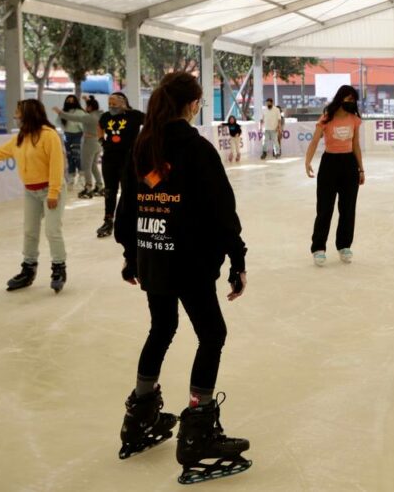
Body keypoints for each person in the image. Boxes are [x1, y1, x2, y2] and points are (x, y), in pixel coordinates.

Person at [114, 72, 250, 483]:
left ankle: (139, 415)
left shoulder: (143, 146)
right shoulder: (195, 148)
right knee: (212, 334)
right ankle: (198, 431)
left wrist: (131, 256)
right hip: (189, 261)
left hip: (153, 256)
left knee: (163, 327)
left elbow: (128, 210)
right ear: (191, 104)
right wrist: (237, 259)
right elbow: (221, 211)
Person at [0, 99, 68, 293]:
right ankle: (28, 270)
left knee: (52, 230)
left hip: (52, 190)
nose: (15, 116)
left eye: (17, 112)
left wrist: (53, 192)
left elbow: (56, 165)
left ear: (28, 114)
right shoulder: (21, 137)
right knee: (29, 231)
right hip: (31, 191)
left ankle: (58, 269)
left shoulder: (49, 135)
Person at [304, 85, 364, 265]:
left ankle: (344, 245)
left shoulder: (354, 120)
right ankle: (318, 248)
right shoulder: (326, 118)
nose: (351, 103)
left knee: (347, 209)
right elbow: (315, 141)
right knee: (324, 208)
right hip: (330, 163)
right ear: (340, 99)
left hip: (349, 164)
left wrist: (361, 168)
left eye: (353, 100)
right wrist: (307, 162)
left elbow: (356, 145)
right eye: (348, 99)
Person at [97, 92, 145, 238]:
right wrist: (101, 140)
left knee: (128, 189)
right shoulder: (106, 116)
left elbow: (152, 122)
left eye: (114, 104)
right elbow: (100, 126)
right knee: (110, 190)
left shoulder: (134, 115)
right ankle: (108, 219)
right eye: (109, 104)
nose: (111, 107)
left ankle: (130, 219)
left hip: (128, 159)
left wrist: (142, 141)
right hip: (109, 159)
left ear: (123, 103)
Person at [54, 95, 104, 199]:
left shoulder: (88, 117)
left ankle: (88, 188)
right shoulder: (100, 114)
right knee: (94, 165)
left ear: (90, 108)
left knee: (87, 167)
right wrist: (88, 101)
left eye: (87, 106)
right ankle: (99, 186)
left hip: (89, 143)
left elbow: (73, 118)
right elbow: (92, 107)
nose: (85, 108)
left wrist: (60, 112)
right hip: (98, 142)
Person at [57, 95, 83, 187]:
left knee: (77, 155)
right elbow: (58, 122)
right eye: (68, 101)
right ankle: (71, 176)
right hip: (67, 135)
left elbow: (85, 123)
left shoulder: (80, 112)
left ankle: (82, 176)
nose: (70, 102)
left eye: (72, 101)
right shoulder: (63, 112)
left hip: (78, 135)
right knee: (69, 155)